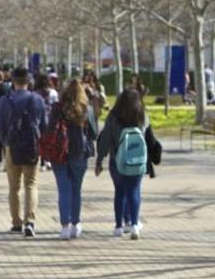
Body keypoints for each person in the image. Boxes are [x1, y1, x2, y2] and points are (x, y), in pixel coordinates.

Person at [0, 67, 47, 237]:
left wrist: (6, 143)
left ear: (13, 81)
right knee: (31, 185)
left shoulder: (4, 101)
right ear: (28, 81)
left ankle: (16, 222)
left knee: (14, 188)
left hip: (12, 147)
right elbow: (44, 124)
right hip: (32, 146)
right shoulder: (37, 99)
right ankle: (30, 221)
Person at [95, 88, 149, 239]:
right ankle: (134, 225)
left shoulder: (113, 116)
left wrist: (100, 160)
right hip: (137, 160)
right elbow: (147, 136)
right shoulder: (142, 115)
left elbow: (105, 139)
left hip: (117, 160)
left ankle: (119, 226)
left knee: (120, 192)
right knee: (134, 190)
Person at [48, 79, 98, 240]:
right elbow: (94, 133)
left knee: (63, 190)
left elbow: (49, 129)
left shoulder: (57, 108)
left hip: (59, 153)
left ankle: (64, 226)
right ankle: (75, 224)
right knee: (76, 190)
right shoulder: (87, 109)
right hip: (79, 153)